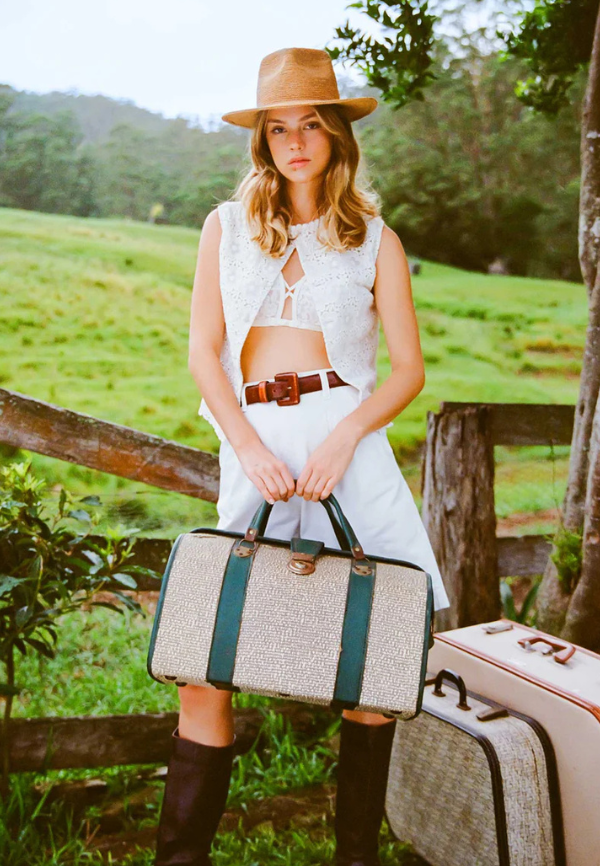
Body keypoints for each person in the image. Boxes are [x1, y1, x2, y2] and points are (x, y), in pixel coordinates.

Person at [153, 47, 451, 866]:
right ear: (262, 140)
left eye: (310, 125)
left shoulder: (375, 240)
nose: (294, 141)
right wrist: (246, 445)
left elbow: (408, 370)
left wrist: (345, 435)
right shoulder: (225, 227)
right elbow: (204, 353)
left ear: (336, 137)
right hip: (254, 445)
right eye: (279, 127)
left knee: (375, 662)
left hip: (345, 447)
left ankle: (353, 855)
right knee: (205, 662)